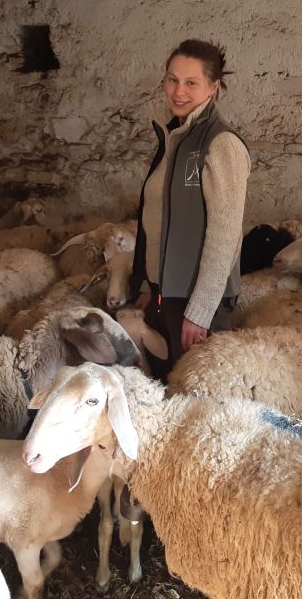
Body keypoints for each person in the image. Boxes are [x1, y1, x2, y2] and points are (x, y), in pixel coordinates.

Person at [129, 39, 251, 379]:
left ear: (214, 87)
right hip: (163, 293)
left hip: (196, 301)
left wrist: (200, 311)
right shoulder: (172, 138)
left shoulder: (220, 144)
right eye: (172, 79)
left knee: (196, 397)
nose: (178, 91)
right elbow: (155, 221)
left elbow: (225, 235)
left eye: (191, 82)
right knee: (163, 389)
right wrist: (145, 284)